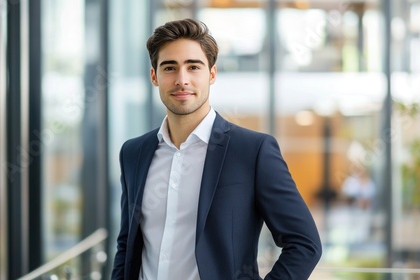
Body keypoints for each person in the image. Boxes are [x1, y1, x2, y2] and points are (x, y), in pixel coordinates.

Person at [111, 18, 322, 280]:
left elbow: (305, 244)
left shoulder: (252, 151)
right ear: (154, 76)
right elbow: (127, 245)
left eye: (193, 67)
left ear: (212, 74)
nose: (182, 79)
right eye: (169, 68)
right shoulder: (133, 153)